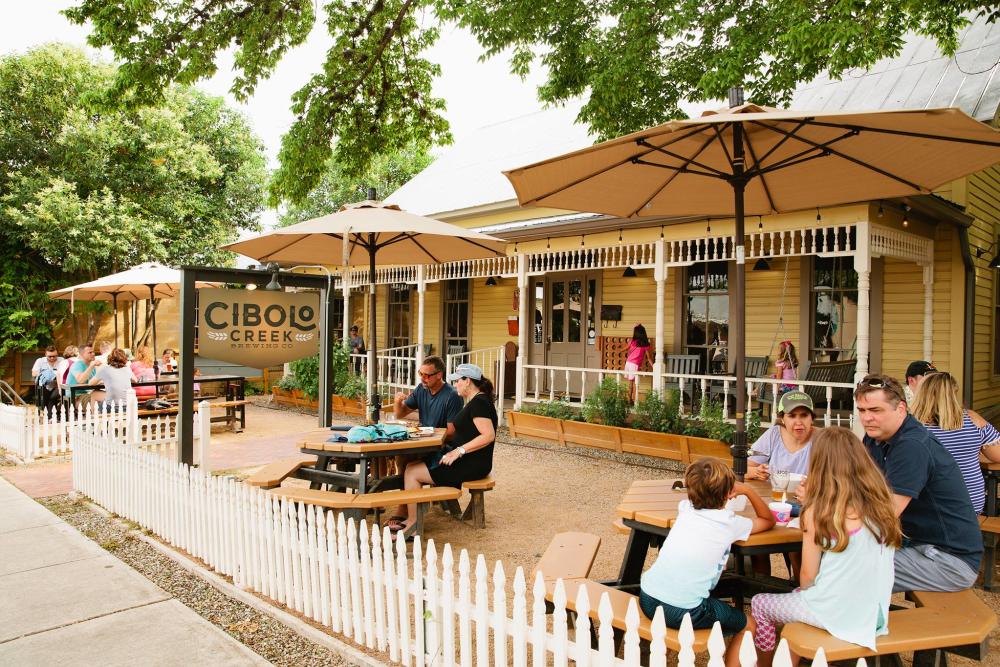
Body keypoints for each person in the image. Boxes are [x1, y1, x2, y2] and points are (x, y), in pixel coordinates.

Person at [749, 428, 901, 666]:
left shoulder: (817, 513)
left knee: (760, 603)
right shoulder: (883, 508)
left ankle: (764, 664)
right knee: (797, 607)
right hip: (874, 615)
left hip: (834, 613)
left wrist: (810, 503)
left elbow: (807, 578)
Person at [639, 458, 775, 667]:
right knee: (747, 624)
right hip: (684, 611)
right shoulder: (729, 523)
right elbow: (768, 521)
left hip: (647, 597)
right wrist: (748, 490)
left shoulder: (685, 509)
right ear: (730, 493)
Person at [856, 374, 982, 592]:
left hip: (950, 561)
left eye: (876, 410)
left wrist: (829, 519)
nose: (867, 418)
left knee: (850, 569)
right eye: (862, 410)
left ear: (901, 409)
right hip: (916, 546)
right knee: (836, 557)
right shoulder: (875, 437)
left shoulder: (912, 445)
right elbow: (859, 487)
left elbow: (885, 513)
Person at [390, 363, 498, 535]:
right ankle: (412, 519)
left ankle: (413, 523)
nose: (455, 385)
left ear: (467, 381)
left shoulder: (479, 403)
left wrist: (458, 451)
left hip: (472, 464)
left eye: (458, 381)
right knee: (411, 466)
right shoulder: (479, 401)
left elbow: (488, 435)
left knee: (412, 472)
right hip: (470, 461)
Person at [910, 371, 1000, 513]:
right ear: (952, 394)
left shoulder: (911, 425)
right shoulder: (972, 419)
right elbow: (997, 454)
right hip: (970, 502)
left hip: (927, 503)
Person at [746, 391, 816, 480]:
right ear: (782, 419)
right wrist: (757, 471)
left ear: (812, 419)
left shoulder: (822, 439)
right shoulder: (774, 435)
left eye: (804, 415)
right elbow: (743, 469)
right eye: (792, 416)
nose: (798, 422)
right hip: (774, 492)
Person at [624, 324, 654, 403]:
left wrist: (618, 351)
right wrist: (654, 367)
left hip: (628, 363)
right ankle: (633, 400)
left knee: (630, 382)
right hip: (634, 364)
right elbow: (649, 358)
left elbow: (625, 349)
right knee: (634, 383)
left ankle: (629, 400)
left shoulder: (631, 342)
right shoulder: (645, 344)